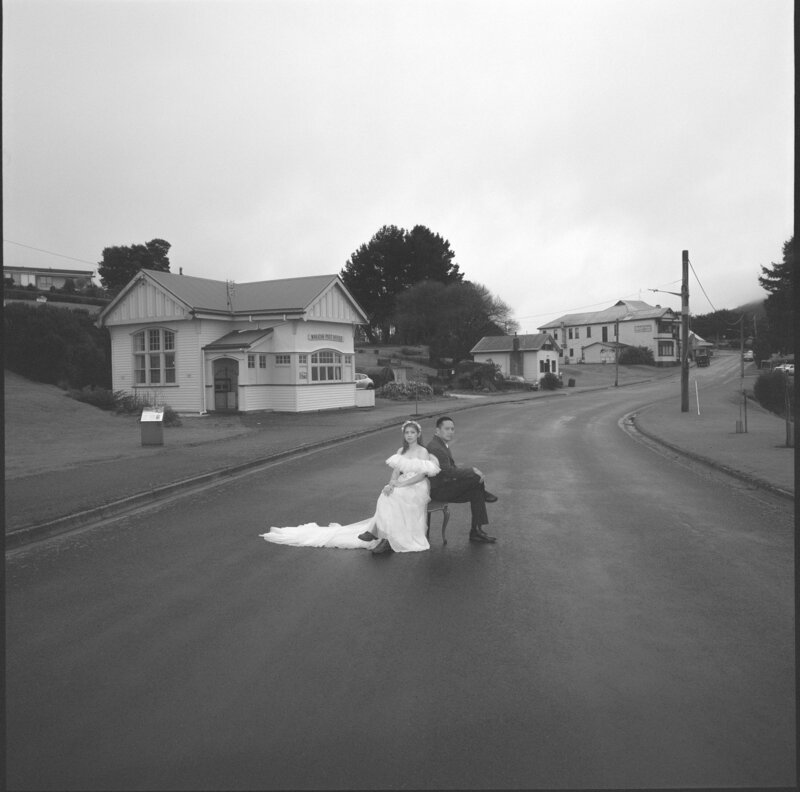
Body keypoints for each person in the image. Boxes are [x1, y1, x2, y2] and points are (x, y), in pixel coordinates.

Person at [259, 420, 440, 554]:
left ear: (418, 435)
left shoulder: (422, 451)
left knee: (396, 497)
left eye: (412, 433)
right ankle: (378, 534)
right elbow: (396, 471)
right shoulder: (402, 451)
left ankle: (382, 537)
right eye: (406, 432)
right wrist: (391, 483)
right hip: (401, 483)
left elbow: (421, 475)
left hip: (416, 485)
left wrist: (400, 485)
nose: (409, 435)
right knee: (385, 495)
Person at [425, 415, 498, 543]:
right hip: (439, 490)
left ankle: (476, 532)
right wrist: (472, 470)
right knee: (475, 477)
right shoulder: (436, 447)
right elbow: (448, 472)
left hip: (446, 485)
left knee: (476, 492)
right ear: (437, 431)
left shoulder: (441, 444)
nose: (450, 432)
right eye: (447, 429)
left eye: (452, 429)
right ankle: (483, 492)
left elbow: (451, 469)